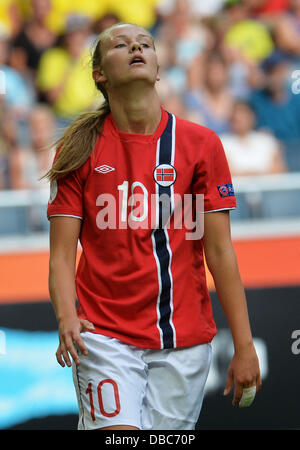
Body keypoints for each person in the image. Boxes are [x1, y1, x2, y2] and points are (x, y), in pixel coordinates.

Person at [45, 22, 261, 431]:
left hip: (183, 338)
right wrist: (66, 316)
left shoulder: (201, 145)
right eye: (121, 45)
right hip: (103, 333)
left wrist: (244, 344)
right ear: (100, 74)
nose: (136, 48)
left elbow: (219, 252)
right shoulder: (78, 148)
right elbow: (60, 254)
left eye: (145, 43)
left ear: (159, 67)